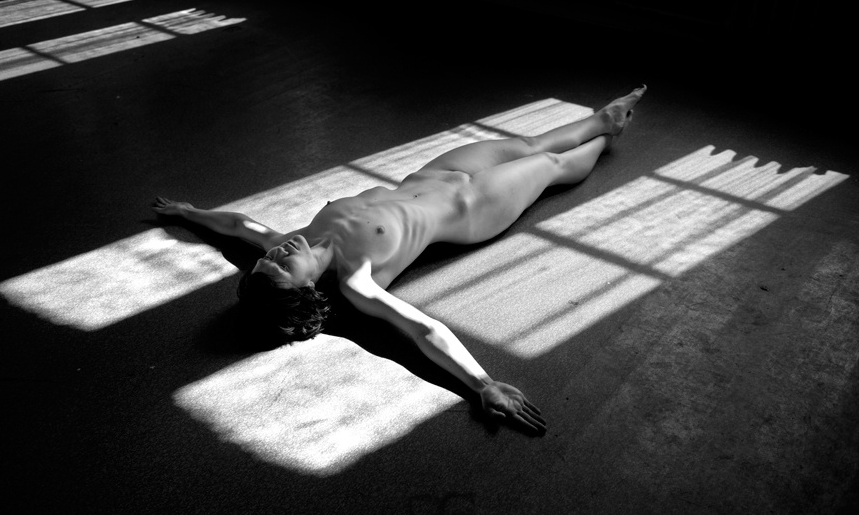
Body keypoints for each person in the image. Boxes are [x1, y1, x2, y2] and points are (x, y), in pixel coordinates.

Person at [152, 85, 647, 434]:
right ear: (303, 292)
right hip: (475, 208)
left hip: (432, 176)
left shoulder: (290, 239)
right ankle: (607, 138)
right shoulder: (356, 280)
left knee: (527, 145)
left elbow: (239, 227)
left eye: (268, 261)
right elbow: (423, 330)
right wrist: (483, 384)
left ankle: (603, 120)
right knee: (550, 164)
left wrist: (188, 213)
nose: (277, 254)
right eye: (282, 267)